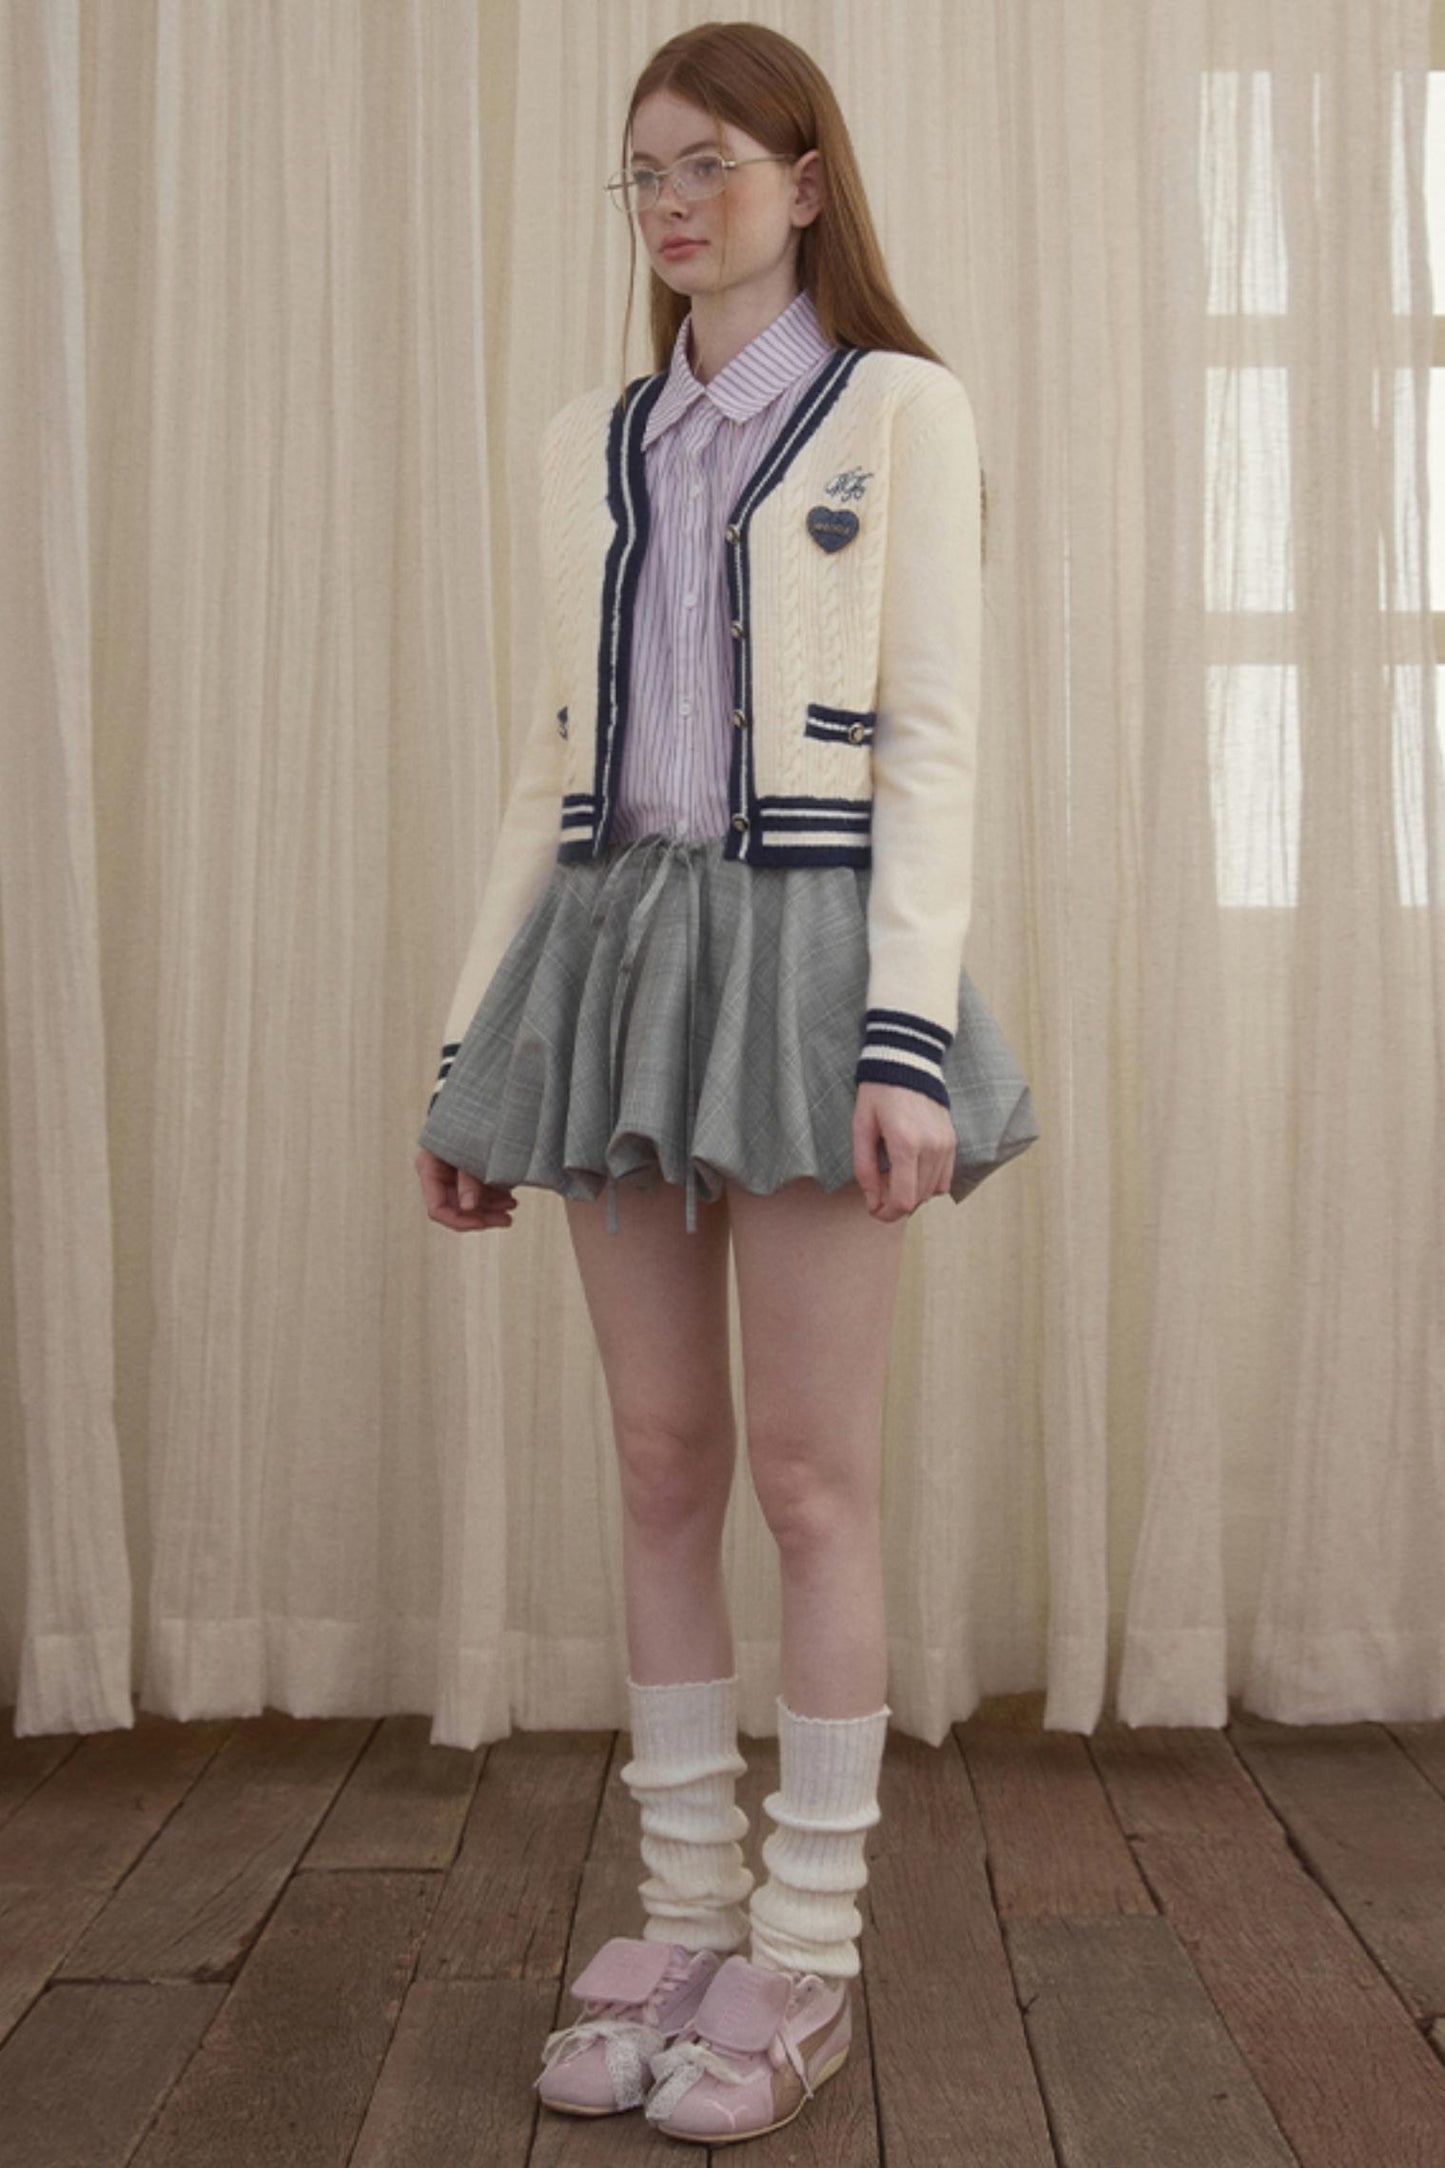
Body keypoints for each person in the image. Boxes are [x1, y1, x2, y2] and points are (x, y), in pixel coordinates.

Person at [415, 19, 1037, 2144]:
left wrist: (903, 1038)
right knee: (661, 1458)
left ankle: (808, 1945)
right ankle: (682, 1917)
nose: (673, 204)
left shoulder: (901, 411)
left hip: (812, 962)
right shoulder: (591, 437)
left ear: (805, 180)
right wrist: (469, 1054)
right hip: (612, 957)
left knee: (809, 1477)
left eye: (711, 165)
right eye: (645, 172)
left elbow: (932, 741)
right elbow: (549, 760)